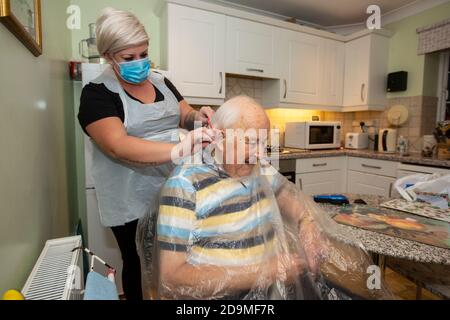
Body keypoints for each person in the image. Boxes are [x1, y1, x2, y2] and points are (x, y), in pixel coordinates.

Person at [141, 96, 393, 300]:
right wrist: (265, 271)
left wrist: (307, 225)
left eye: (264, 143)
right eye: (251, 142)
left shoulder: (259, 168)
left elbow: (289, 197)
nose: (261, 154)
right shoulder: (185, 185)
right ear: (218, 136)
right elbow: (172, 279)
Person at [77, 8, 218, 300]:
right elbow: (118, 145)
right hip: (128, 197)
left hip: (169, 188)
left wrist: (199, 119)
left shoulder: (161, 82)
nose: (139, 62)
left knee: (174, 258)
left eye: (144, 53)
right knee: (139, 260)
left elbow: (184, 114)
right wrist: (179, 149)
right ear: (108, 55)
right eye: (129, 58)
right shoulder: (97, 94)